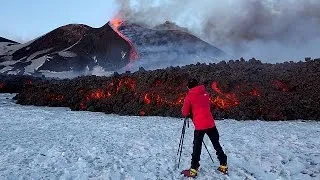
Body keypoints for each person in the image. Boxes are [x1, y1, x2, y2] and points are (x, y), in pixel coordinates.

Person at [181, 78, 228, 177]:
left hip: (200, 126)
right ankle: (223, 165)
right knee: (216, 144)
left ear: (189, 87)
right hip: (210, 123)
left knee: (197, 147)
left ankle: (193, 169)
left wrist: (190, 112)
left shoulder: (189, 97)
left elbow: (185, 112)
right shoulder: (205, 94)